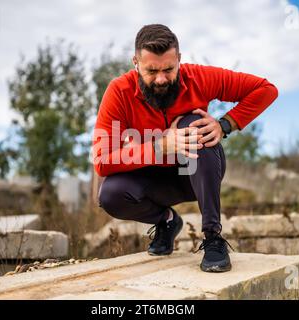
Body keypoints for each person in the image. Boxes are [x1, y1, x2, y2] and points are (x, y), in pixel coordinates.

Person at [92, 24, 278, 272]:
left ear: (179, 59)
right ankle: (167, 222)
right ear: (135, 62)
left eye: (169, 69)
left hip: (194, 174)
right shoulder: (119, 91)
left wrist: (225, 124)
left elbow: (265, 89)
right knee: (110, 195)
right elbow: (102, 161)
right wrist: (160, 146)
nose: (161, 79)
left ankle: (213, 237)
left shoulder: (199, 77)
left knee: (195, 125)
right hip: (150, 180)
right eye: (151, 71)